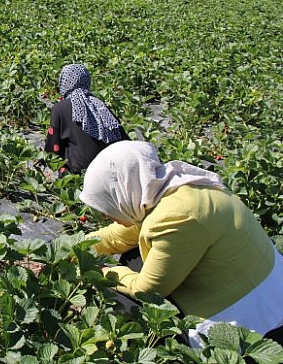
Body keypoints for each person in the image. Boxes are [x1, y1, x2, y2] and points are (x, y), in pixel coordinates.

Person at [80, 141, 283, 348]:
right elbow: (122, 233)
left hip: (250, 314)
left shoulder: (175, 218)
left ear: (122, 192)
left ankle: (160, 347)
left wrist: (102, 271)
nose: (106, 216)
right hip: (266, 283)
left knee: (117, 292)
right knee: (134, 259)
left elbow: (148, 289)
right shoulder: (175, 187)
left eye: (106, 207)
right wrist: (78, 247)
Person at [45, 64, 129, 173]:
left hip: (79, 172)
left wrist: (44, 159)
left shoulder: (60, 108)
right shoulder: (99, 105)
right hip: (109, 171)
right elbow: (123, 138)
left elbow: (54, 146)